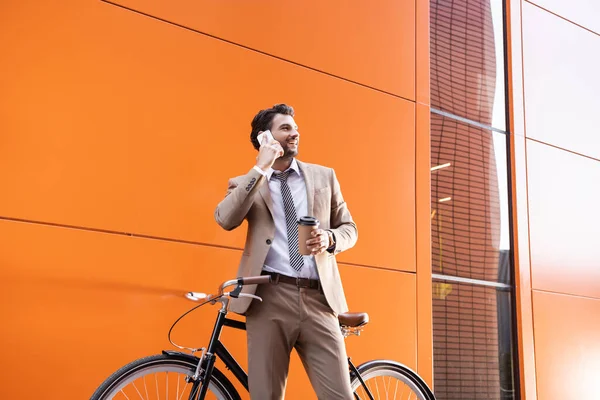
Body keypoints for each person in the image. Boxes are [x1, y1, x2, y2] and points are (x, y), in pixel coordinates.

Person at [214, 103, 358, 399]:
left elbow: (350, 229)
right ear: (264, 138)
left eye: (295, 127)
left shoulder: (324, 176)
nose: (295, 133)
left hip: (320, 299)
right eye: (286, 128)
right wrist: (260, 168)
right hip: (268, 300)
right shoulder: (246, 183)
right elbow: (225, 219)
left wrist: (330, 238)